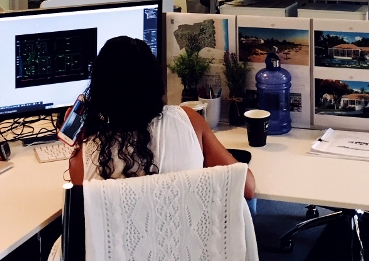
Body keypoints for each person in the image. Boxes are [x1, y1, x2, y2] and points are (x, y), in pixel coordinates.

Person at [69, 36, 255, 200]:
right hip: (186, 240)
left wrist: (82, 137)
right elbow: (247, 187)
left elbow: (84, 212)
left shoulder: (87, 154)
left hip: (120, 241)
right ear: (155, 83)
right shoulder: (189, 120)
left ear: (100, 90)